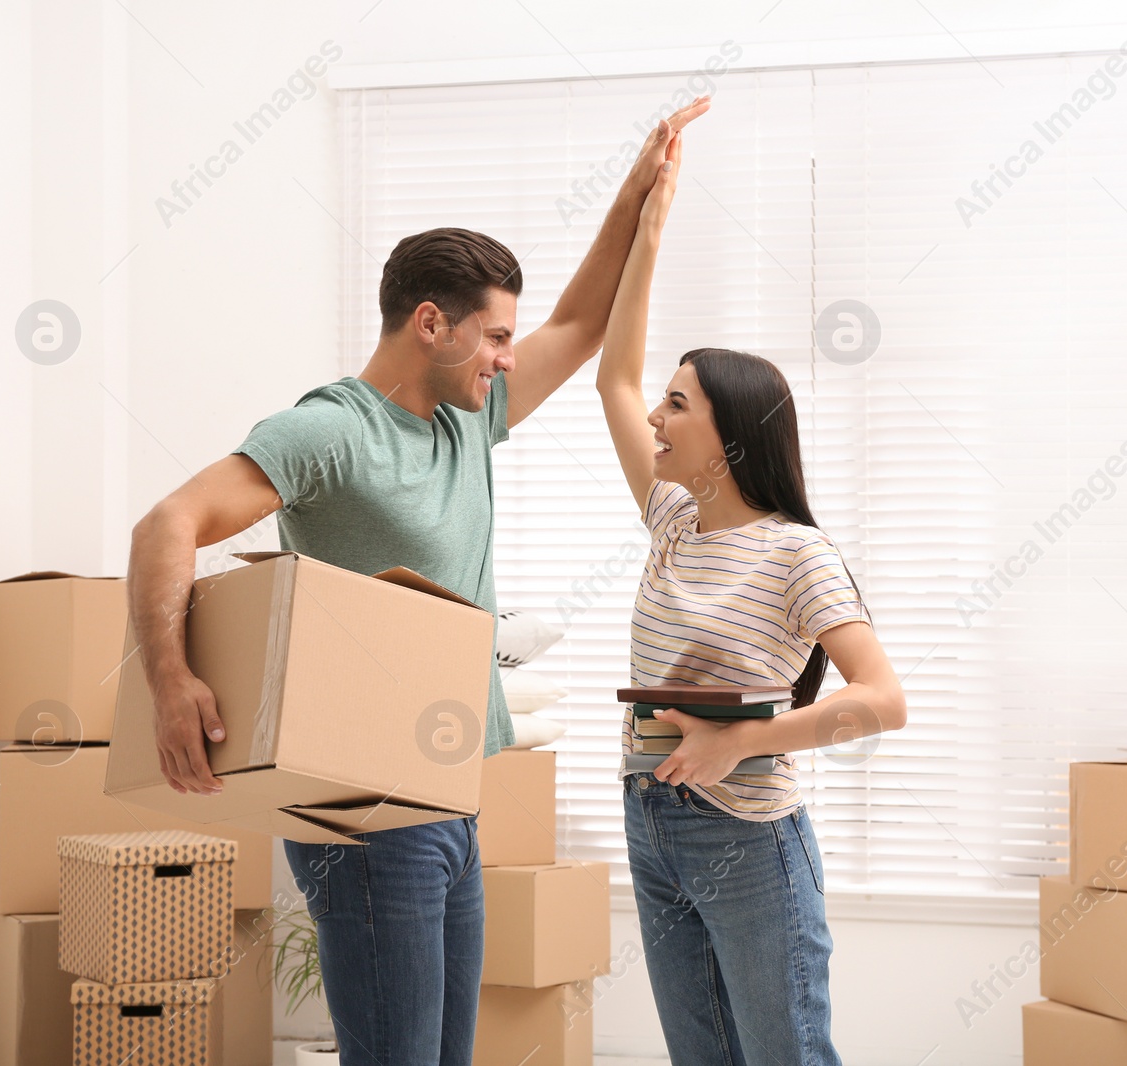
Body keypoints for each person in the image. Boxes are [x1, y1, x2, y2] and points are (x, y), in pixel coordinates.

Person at [124, 96, 709, 1066]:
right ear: (430, 323)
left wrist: (642, 191)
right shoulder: (332, 430)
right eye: (493, 338)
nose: (509, 358)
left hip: (450, 799)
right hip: (362, 812)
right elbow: (167, 523)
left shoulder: (468, 416)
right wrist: (169, 677)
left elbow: (582, 319)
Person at [595, 130, 908, 1065]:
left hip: (748, 836)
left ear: (729, 440)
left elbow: (884, 700)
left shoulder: (796, 555)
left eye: (679, 404)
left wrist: (740, 741)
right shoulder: (673, 523)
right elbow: (611, 375)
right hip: (651, 816)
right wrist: (648, 228)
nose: (654, 414)